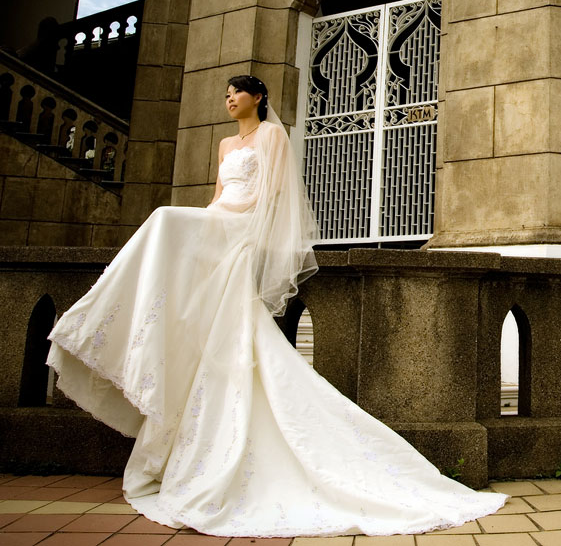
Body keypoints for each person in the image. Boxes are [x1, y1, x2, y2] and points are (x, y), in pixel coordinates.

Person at [47, 75, 508, 537]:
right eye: (225, 93)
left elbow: (273, 195)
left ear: (258, 97)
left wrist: (244, 233)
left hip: (245, 228)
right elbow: (214, 198)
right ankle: (112, 321)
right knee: (167, 223)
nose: (229, 98)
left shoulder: (271, 135)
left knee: (164, 219)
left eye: (236, 92)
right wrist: (211, 223)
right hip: (220, 223)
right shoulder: (227, 144)